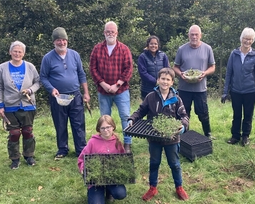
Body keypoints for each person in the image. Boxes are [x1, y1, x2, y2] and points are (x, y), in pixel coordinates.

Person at [128, 67, 189, 201]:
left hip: (171, 138)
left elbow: (184, 116)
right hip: (153, 137)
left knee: (174, 164)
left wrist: (183, 126)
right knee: (154, 162)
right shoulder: (151, 97)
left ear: (172, 82)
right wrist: (132, 119)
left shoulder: (176, 99)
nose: (165, 82)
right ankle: (152, 188)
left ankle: (179, 187)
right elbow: (141, 111)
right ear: (158, 80)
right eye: (163, 79)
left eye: (168, 80)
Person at [40, 27, 90, 160]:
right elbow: (43, 77)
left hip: (75, 95)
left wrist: (86, 93)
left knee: (78, 123)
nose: (61, 43)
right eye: (58, 40)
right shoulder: (48, 58)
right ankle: (62, 149)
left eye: (63, 40)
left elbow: (81, 74)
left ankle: (81, 149)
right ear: (53, 42)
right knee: (60, 124)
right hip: (58, 97)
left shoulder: (75, 55)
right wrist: (51, 89)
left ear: (67, 40)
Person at [89, 21, 133, 153]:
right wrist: (103, 83)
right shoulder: (97, 49)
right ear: (104, 33)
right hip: (103, 91)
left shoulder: (124, 49)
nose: (110, 34)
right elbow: (92, 68)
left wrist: (117, 84)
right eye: (108, 31)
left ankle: (127, 144)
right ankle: (106, 144)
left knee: (125, 117)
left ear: (116, 33)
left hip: (121, 91)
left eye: (112, 32)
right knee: (104, 119)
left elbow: (129, 69)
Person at [0, 41, 40, 169]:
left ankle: (29, 155)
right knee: (14, 133)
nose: (17, 53)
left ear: (24, 53)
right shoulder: (2, 68)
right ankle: (14, 158)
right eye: (15, 51)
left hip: (28, 104)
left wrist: (30, 90)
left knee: (28, 131)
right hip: (10, 105)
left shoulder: (30, 67)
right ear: (10, 52)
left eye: (20, 51)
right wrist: (0, 105)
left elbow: (38, 82)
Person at [173, 25, 215, 139]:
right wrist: (181, 74)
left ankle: (208, 133)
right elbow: (175, 67)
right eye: (192, 34)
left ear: (200, 35)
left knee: (203, 112)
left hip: (200, 88)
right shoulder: (182, 49)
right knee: (183, 113)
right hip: (184, 88)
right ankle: (183, 135)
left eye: (196, 34)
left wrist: (205, 73)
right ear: (188, 35)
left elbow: (212, 67)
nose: (194, 37)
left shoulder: (207, 48)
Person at [222, 28, 255, 146]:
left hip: (250, 90)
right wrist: (225, 92)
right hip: (236, 90)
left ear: (253, 40)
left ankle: (245, 136)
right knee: (237, 115)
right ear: (241, 39)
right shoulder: (234, 54)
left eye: (250, 39)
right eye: (245, 38)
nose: (247, 41)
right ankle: (235, 136)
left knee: (248, 115)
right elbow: (229, 73)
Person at [78, 115, 127, 204]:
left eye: (108, 127)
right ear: (99, 129)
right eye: (102, 128)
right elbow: (81, 159)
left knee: (121, 194)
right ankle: (93, 192)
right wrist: (83, 169)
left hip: (112, 177)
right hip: (95, 179)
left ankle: (109, 192)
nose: (106, 130)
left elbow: (123, 159)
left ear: (113, 127)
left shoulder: (117, 141)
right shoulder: (92, 142)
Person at [138, 35, 169, 100]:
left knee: (161, 108)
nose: (153, 46)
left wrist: (162, 81)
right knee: (147, 109)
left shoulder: (163, 55)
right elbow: (143, 73)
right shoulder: (142, 57)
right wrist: (155, 81)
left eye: (155, 44)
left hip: (162, 88)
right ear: (148, 45)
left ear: (158, 45)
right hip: (147, 89)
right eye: (151, 44)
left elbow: (167, 70)